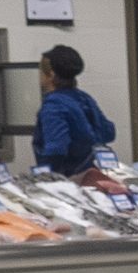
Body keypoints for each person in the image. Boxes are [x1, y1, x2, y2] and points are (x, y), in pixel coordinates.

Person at [31, 46, 115, 177]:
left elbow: (56, 148)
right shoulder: (84, 98)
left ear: (51, 76)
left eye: (41, 71)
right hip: (95, 173)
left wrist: (48, 179)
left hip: (70, 176)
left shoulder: (53, 104)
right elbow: (108, 132)